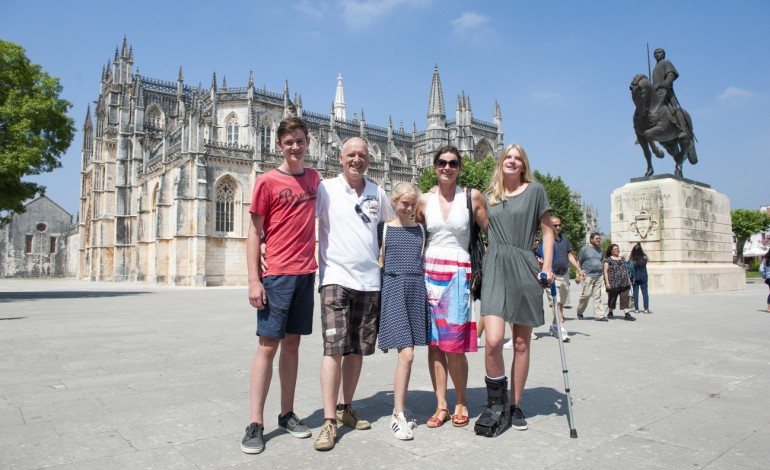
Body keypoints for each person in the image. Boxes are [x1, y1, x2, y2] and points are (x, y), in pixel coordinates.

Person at [241, 117, 320, 454]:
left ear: (308, 143)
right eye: (289, 142)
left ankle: (286, 413)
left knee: (292, 346)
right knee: (267, 346)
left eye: (300, 141)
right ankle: (255, 423)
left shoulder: (316, 179)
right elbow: (254, 233)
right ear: (279, 145)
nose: (295, 147)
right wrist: (253, 280)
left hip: (306, 274)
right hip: (276, 275)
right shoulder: (266, 181)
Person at [314, 137, 395, 451]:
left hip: (369, 281)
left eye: (362, 155)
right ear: (340, 157)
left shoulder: (378, 192)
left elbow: (395, 222)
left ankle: (346, 408)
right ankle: (328, 420)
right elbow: (302, 220)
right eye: (351, 155)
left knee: (358, 349)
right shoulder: (325, 188)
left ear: (369, 160)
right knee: (333, 348)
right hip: (335, 278)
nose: (357, 160)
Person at [475, 143, 554, 436]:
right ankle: (496, 403)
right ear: (500, 162)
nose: (511, 161)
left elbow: (547, 230)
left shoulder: (536, 191)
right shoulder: (487, 196)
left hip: (524, 264)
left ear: (523, 165)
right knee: (494, 340)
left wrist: (546, 266)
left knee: (521, 343)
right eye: (507, 157)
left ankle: (515, 405)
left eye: (517, 158)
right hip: (495, 264)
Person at [416, 145, 487, 429]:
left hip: (458, 274)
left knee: (454, 345)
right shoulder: (424, 200)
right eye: (442, 162)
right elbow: (413, 232)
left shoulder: (472, 197)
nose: (447, 167)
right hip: (428, 273)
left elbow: (492, 232)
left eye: (453, 163)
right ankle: (441, 404)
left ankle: (461, 401)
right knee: (434, 345)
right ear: (434, 166)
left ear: (460, 167)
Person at [377, 182, 429, 440]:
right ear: (394, 202)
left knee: (408, 355)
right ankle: (397, 414)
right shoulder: (383, 229)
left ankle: (401, 407)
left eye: (412, 204)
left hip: (415, 290)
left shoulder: (421, 231)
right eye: (403, 203)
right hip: (394, 290)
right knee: (406, 355)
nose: (408, 208)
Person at [543, 216, 581, 342]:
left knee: (561, 303)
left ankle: (554, 326)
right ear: (550, 225)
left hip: (564, 275)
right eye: (555, 225)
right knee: (556, 302)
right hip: (552, 276)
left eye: (559, 225)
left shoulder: (564, 239)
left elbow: (569, 254)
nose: (558, 227)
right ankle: (561, 328)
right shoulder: (546, 239)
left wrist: (577, 268)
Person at [652, 47, 689, 137]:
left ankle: (683, 130)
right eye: (655, 53)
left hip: (666, 91)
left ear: (663, 54)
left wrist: (664, 83)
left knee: (675, 109)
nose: (657, 54)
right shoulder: (655, 66)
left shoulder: (666, 62)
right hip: (656, 92)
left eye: (659, 52)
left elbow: (671, 75)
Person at [577, 233, 606, 321]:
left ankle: (599, 315)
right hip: (587, 276)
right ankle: (580, 311)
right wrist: (578, 275)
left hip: (598, 275)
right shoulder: (584, 249)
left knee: (597, 296)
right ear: (591, 239)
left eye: (599, 238)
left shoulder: (600, 249)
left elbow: (602, 261)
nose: (599, 240)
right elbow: (579, 261)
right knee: (586, 295)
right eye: (597, 238)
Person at [603, 244, 636, 321]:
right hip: (613, 283)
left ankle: (627, 314)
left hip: (624, 282)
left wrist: (628, 279)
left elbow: (625, 270)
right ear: (611, 251)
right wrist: (607, 282)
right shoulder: (608, 259)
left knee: (625, 298)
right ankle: (610, 311)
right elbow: (605, 271)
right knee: (612, 299)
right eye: (614, 249)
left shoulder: (622, 258)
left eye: (617, 249)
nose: (616, 250)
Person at [630, 243, 652, 314]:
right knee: (645, 292)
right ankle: (646, 309)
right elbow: (646, 262)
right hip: (643, 276)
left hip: (635, 276)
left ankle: (636, 309)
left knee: (635, 293)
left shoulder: (632, 258)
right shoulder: (644, 257)